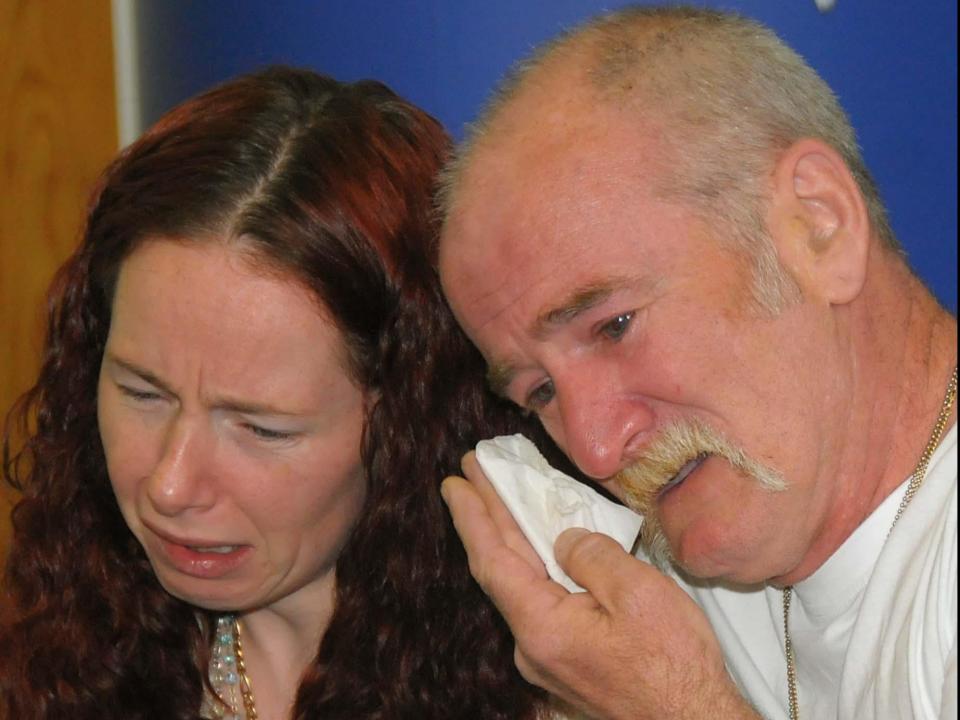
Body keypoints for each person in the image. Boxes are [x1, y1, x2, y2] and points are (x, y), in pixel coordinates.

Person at [437, 6, 957, 720]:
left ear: (817, 227)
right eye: (540, 392)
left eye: (614, 326)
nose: (593, 448)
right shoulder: (668, 595)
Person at [0, 66, 564, 719]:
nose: (169, 486)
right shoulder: (60, 666)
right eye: (142, 393)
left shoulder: (566, 685)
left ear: (409, 424)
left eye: (261, 429)